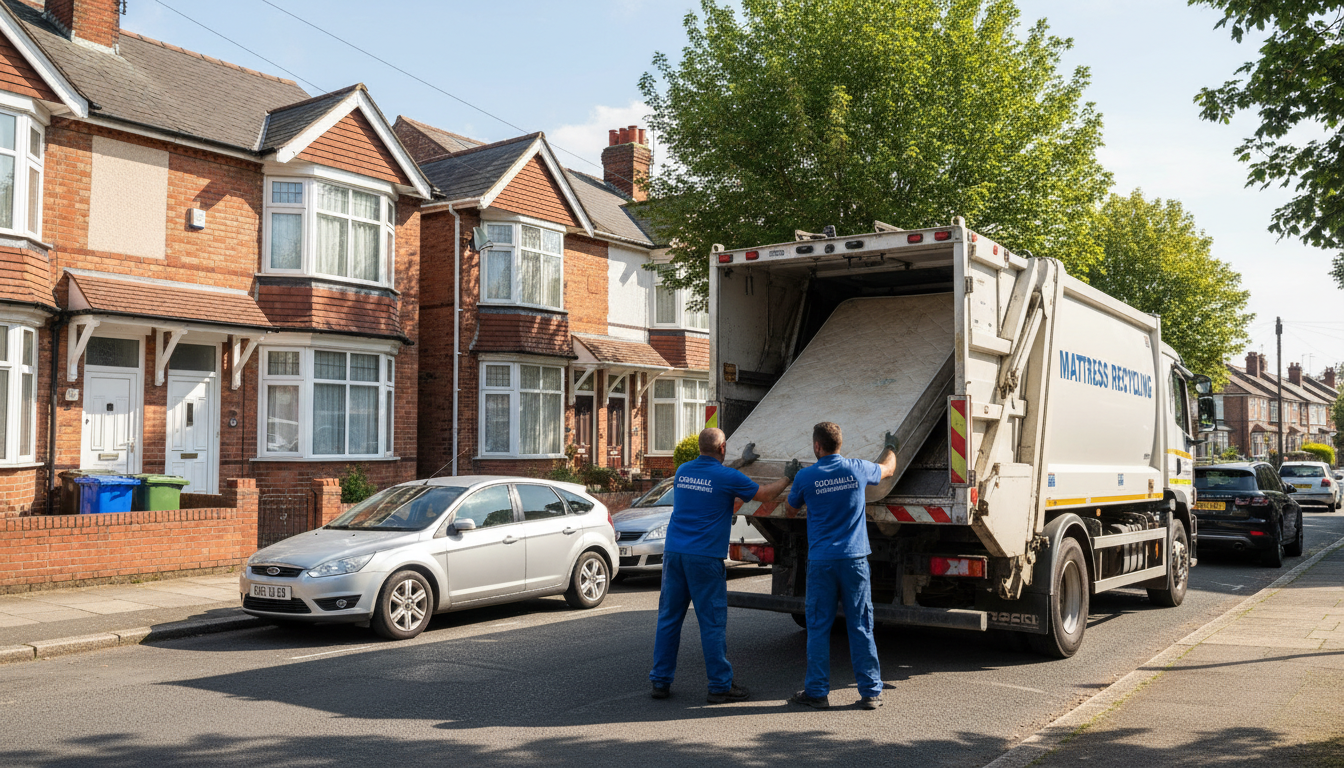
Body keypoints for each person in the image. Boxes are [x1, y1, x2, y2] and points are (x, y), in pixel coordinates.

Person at [649, 428, 792, 703]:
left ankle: (660, 681)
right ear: (723, 448)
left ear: (700, 447)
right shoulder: (728, 477)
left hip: (675, 552)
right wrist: (789, 476)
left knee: (668, 619)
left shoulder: (683, 471)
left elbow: (713, 473)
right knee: (712, 622)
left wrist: (741, 461)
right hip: (704, 558)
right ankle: (719, 686)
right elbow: (764, 495)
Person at [784, 422, 898, 710]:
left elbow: (790, 509)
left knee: (819, 627)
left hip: (822, 561)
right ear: (840, 444)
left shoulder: (805, 476)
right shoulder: (857, 468)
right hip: (854, 560)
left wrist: (792, 480)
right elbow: (888, 469)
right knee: (861, 625)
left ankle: (817, 692)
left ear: (816, 446)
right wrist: (892, 447)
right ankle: (871, 691)